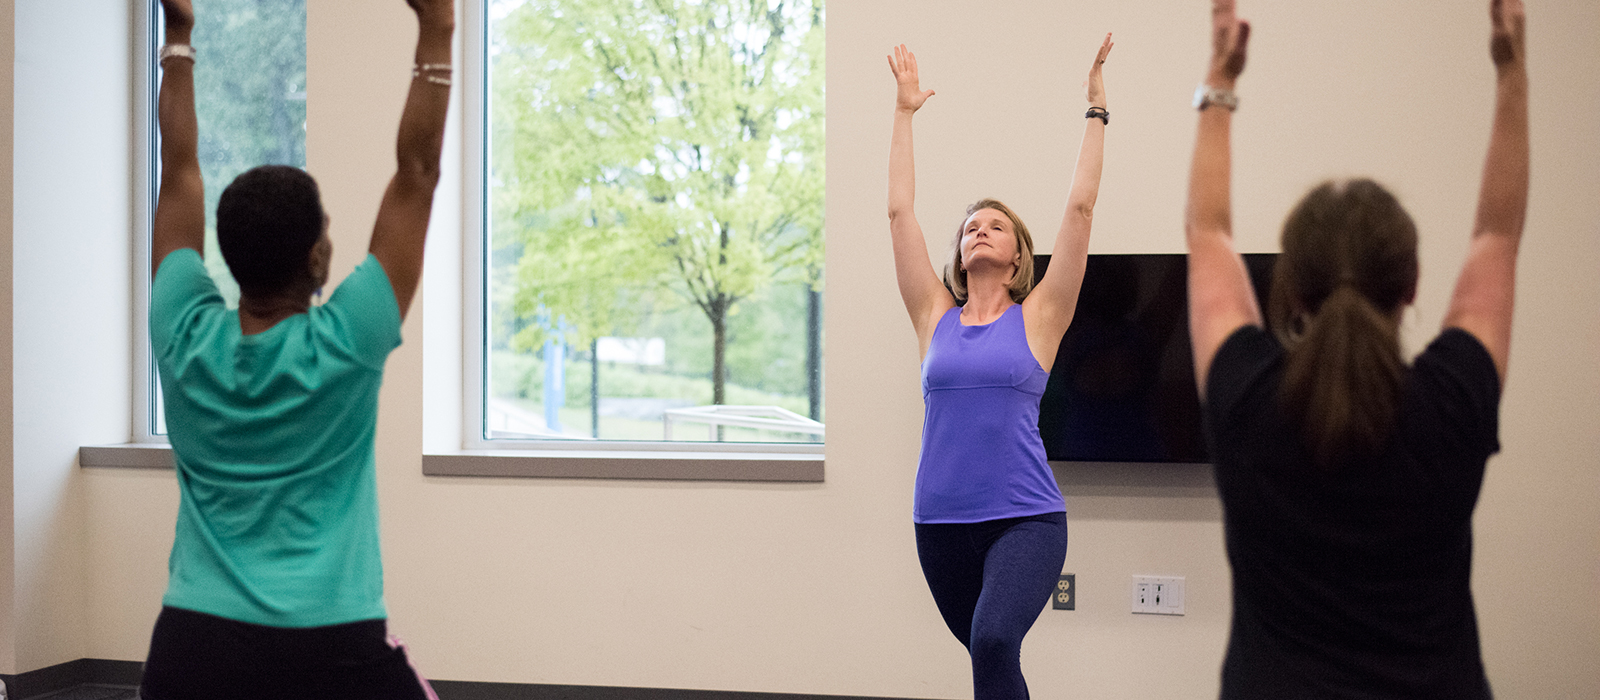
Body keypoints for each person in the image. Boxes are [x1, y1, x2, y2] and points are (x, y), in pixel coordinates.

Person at [1184, 0, 1527, 696]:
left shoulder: (1247, 399)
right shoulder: (1452, 401)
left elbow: (1207, 234)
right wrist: (1511, 73)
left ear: (1289, 291)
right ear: (1411, 286)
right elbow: (1498, 236)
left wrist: (1221, 79)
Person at [138, 0, 454, 697]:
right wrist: (439, 28)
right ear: (318, 256)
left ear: (223, 254)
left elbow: (180, 171)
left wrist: (180, 36)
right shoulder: (349, 340)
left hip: (194, 647)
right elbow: (418, 172)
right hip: (332, 646)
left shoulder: (182, 331)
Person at [887, 36, 1112, 699]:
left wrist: (1096, 112)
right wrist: (903, 114)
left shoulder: (1039, 318)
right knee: (994, 663)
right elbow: (899, 213)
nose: (978, 230)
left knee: (991, 642)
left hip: (1024, 519)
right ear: (959, 254)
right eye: (969, 227)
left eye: (996, 226)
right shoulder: (934, 315)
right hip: (938, 524)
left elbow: (1080, 211)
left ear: (1018, 256)